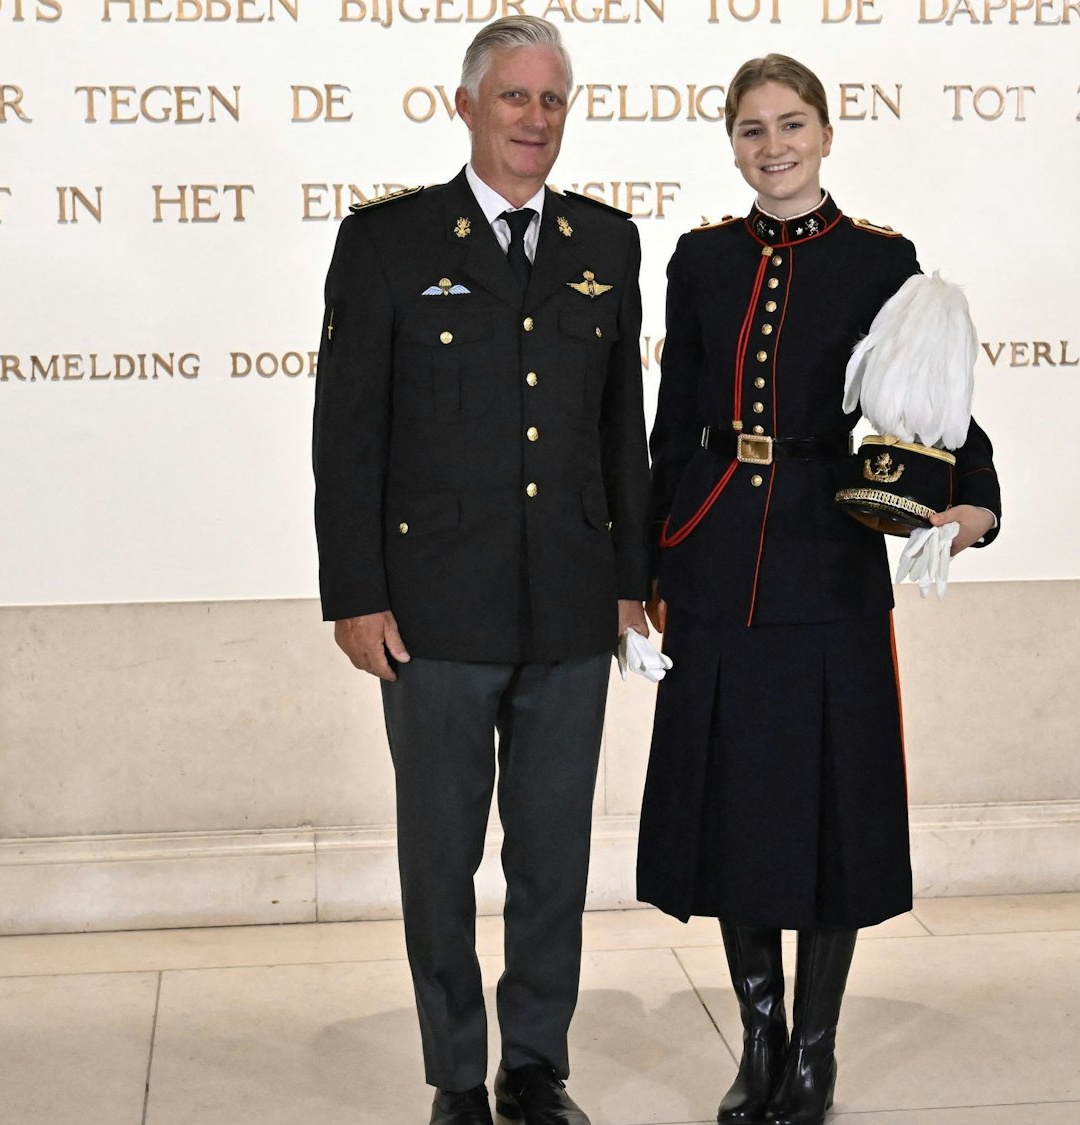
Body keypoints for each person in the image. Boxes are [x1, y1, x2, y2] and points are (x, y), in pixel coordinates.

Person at [636, 54, 1003, 1125]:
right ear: (731, 144)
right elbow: (671, 424)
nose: (772, 146)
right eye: (751, 130)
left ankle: (813, 1051)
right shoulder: (699, 258)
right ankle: (755, 1038)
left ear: (828, 134)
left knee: (825, 807)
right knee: (730, 805)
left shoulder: (879, 260)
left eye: (790, 125)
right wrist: (645, 566)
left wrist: (973, 497)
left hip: (823, 558)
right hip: (709, 552)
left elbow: (929, 399)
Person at [310, 16, 652, 1125]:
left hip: (566, 604)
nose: (535, 121)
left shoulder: (604, 244)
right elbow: (346, 433)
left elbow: (618, 432)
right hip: (432, 612)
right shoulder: (390, 243)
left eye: (552, 101)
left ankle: (534, 1065)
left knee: (552, 857)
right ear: (464, 106)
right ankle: (458, 1074)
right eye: (513, 98)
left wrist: (630, 579)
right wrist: (354, 593)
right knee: (441, 857)